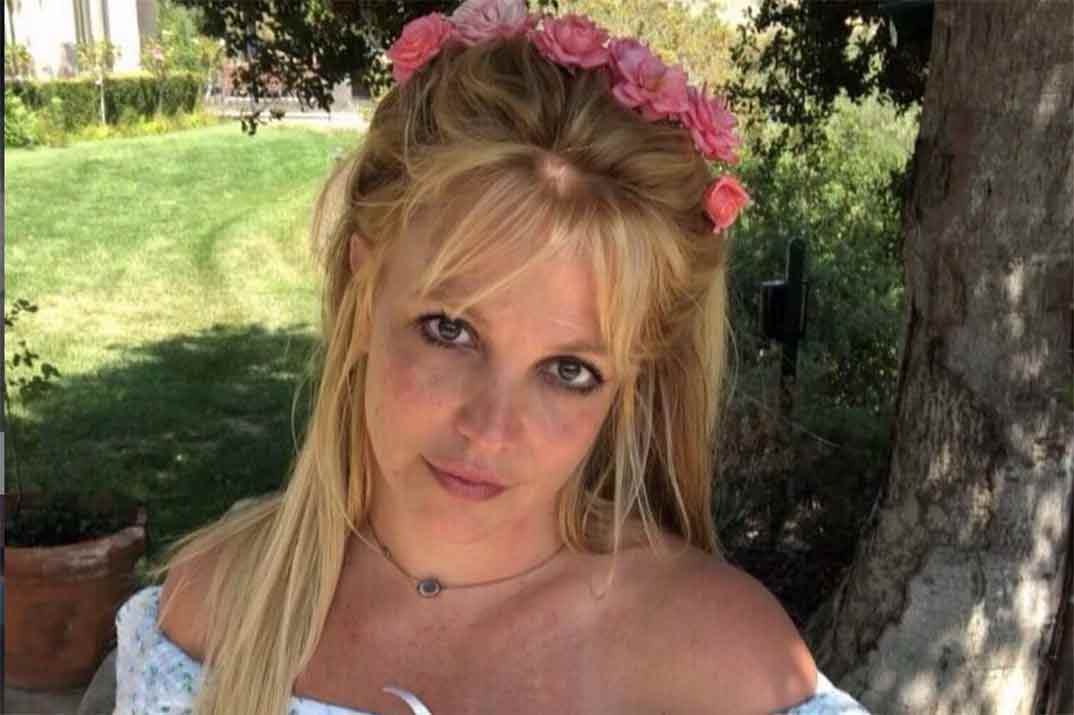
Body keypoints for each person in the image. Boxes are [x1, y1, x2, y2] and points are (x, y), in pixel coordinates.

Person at [112, 2, 871, 714]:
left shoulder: (725, 669)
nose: (490, 428)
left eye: (569, 370)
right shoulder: (214, 616)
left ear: (629, 379)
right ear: (363, 293)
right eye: (449, 330)